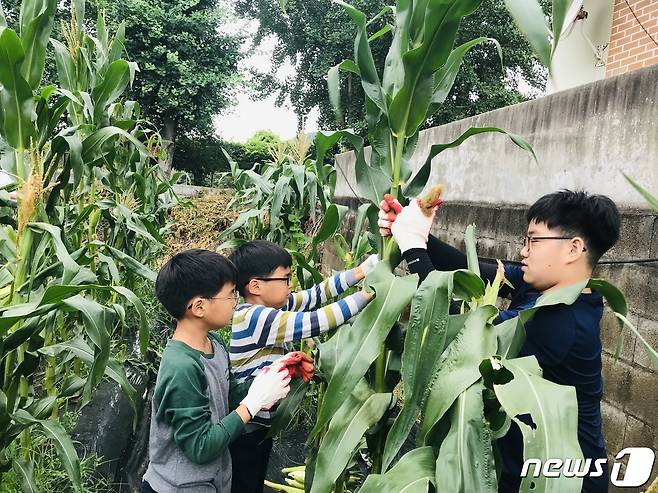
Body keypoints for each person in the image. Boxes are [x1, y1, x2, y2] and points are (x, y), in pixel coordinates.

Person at [379, 190, 620, 493]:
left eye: (534, 240)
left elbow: (462, 339)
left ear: (572, 249)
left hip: (558, 481)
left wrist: (413, 248)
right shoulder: (549, 287)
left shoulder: (561, 318)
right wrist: (417, 233)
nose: (523, 251)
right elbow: (470, 271)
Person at [142, 249, 301, 493]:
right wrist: (253, 404)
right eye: (230, 296)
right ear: (199, 307)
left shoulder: (213, 344)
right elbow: (200, 447)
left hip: (211, 480)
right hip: (179, 487)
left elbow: (226, 396)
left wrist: (272, 375)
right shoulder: (181, 367)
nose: (236, 302)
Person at [228, 240, 378, 493]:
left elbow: (316, 295)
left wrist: (361, 271)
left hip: (258, 424)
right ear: (256, 285)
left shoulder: (270, 306)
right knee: (244, 483)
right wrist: (366, 295)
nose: (290, 285)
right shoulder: (254, 316)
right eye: (285, 279)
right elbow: (318, 320)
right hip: (247, 427)